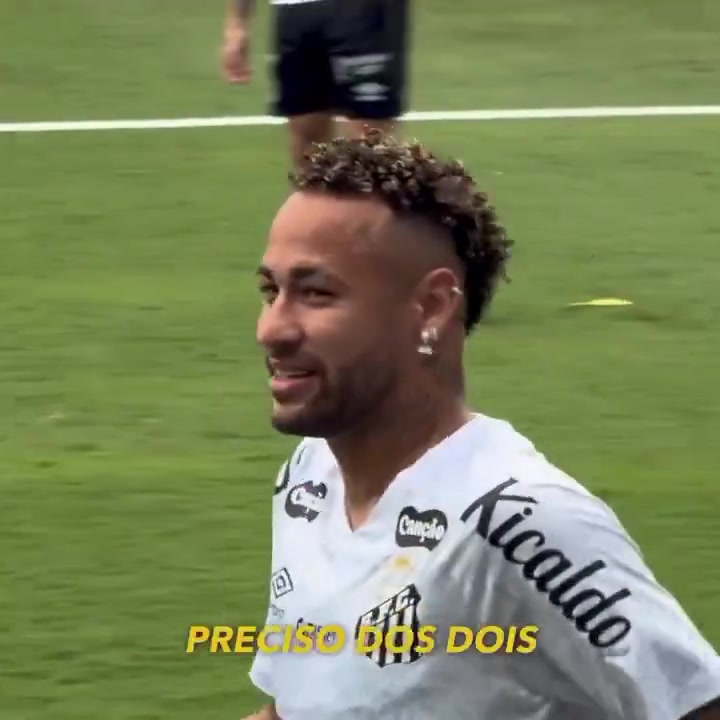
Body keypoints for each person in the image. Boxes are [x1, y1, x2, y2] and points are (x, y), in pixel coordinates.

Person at [246, 130, 720, 720]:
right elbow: (298, 704)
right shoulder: (311, 477)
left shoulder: (520, 523)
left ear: (431, 308)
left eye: (316, 293)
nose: (271, 329)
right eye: (271, 290)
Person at [222, 0, 410, 169]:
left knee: (371, 143)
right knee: (307, 138)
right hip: (295, 11)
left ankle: (380, 198)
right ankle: (319, 198)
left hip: (365, 10)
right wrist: (236, 24)